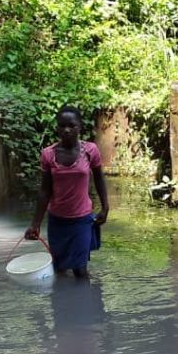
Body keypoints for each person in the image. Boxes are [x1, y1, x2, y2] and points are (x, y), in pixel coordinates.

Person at [24, 107, 109, 278]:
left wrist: (105, 207)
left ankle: (86, 303)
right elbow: (45, 191)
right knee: (59, 269)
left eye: (72, 125)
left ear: (80, 127)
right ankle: (61, 303)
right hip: (57, 220)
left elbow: (99, 179)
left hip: (82, 220)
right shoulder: (48, 154)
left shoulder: (90, 150)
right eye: (62, 126)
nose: (67, 130)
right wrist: (35, 224)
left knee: (80, 270)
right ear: (57, 128)